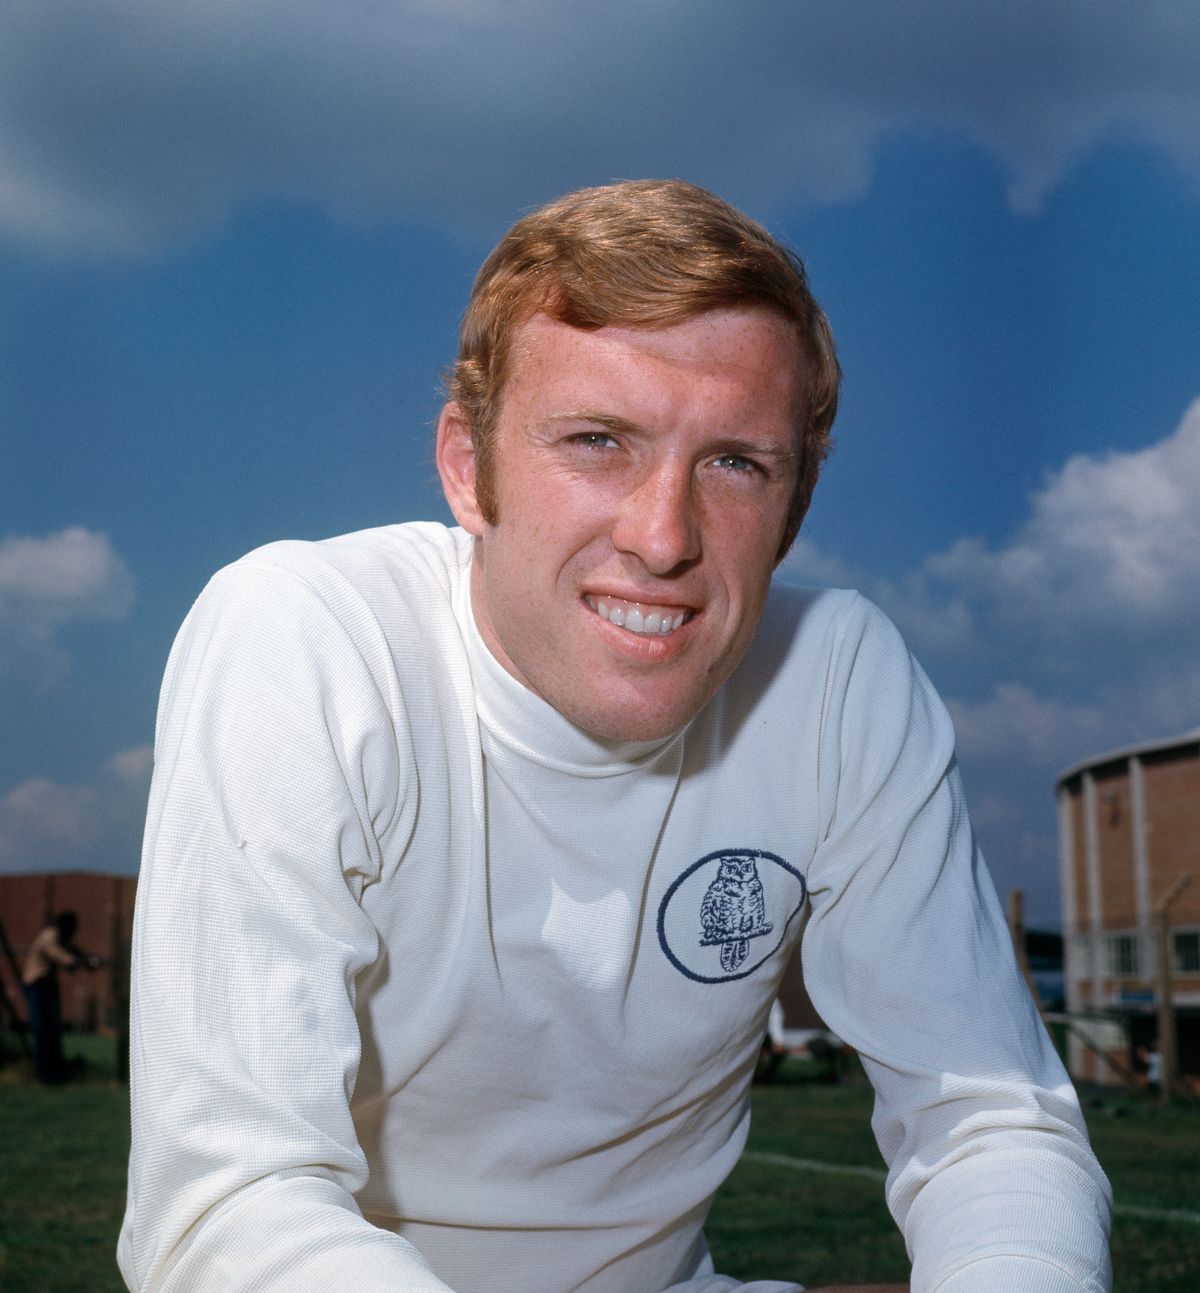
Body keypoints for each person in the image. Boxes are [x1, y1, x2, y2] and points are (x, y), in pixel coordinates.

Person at [119, 180, 1112, 1293]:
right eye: (598, 441)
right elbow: (228, 1203)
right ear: (468, 468)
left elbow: (987, 1121)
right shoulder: (310, 639)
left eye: (736, 462)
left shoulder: (839, 678)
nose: (663, 536)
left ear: (795, 505)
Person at [22, 911, 99, 1084]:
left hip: (48, 984)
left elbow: (75, 952)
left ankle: (55, 1069)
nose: (74, 932)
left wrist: (88, 959)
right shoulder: (49, 936)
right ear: (64, 926)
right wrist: (81, 962)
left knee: (53, 1028)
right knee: (41, 1028)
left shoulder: (61, 937)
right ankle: (43, 1073)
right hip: (36, 984)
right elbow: (63, 957)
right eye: (72, 927)